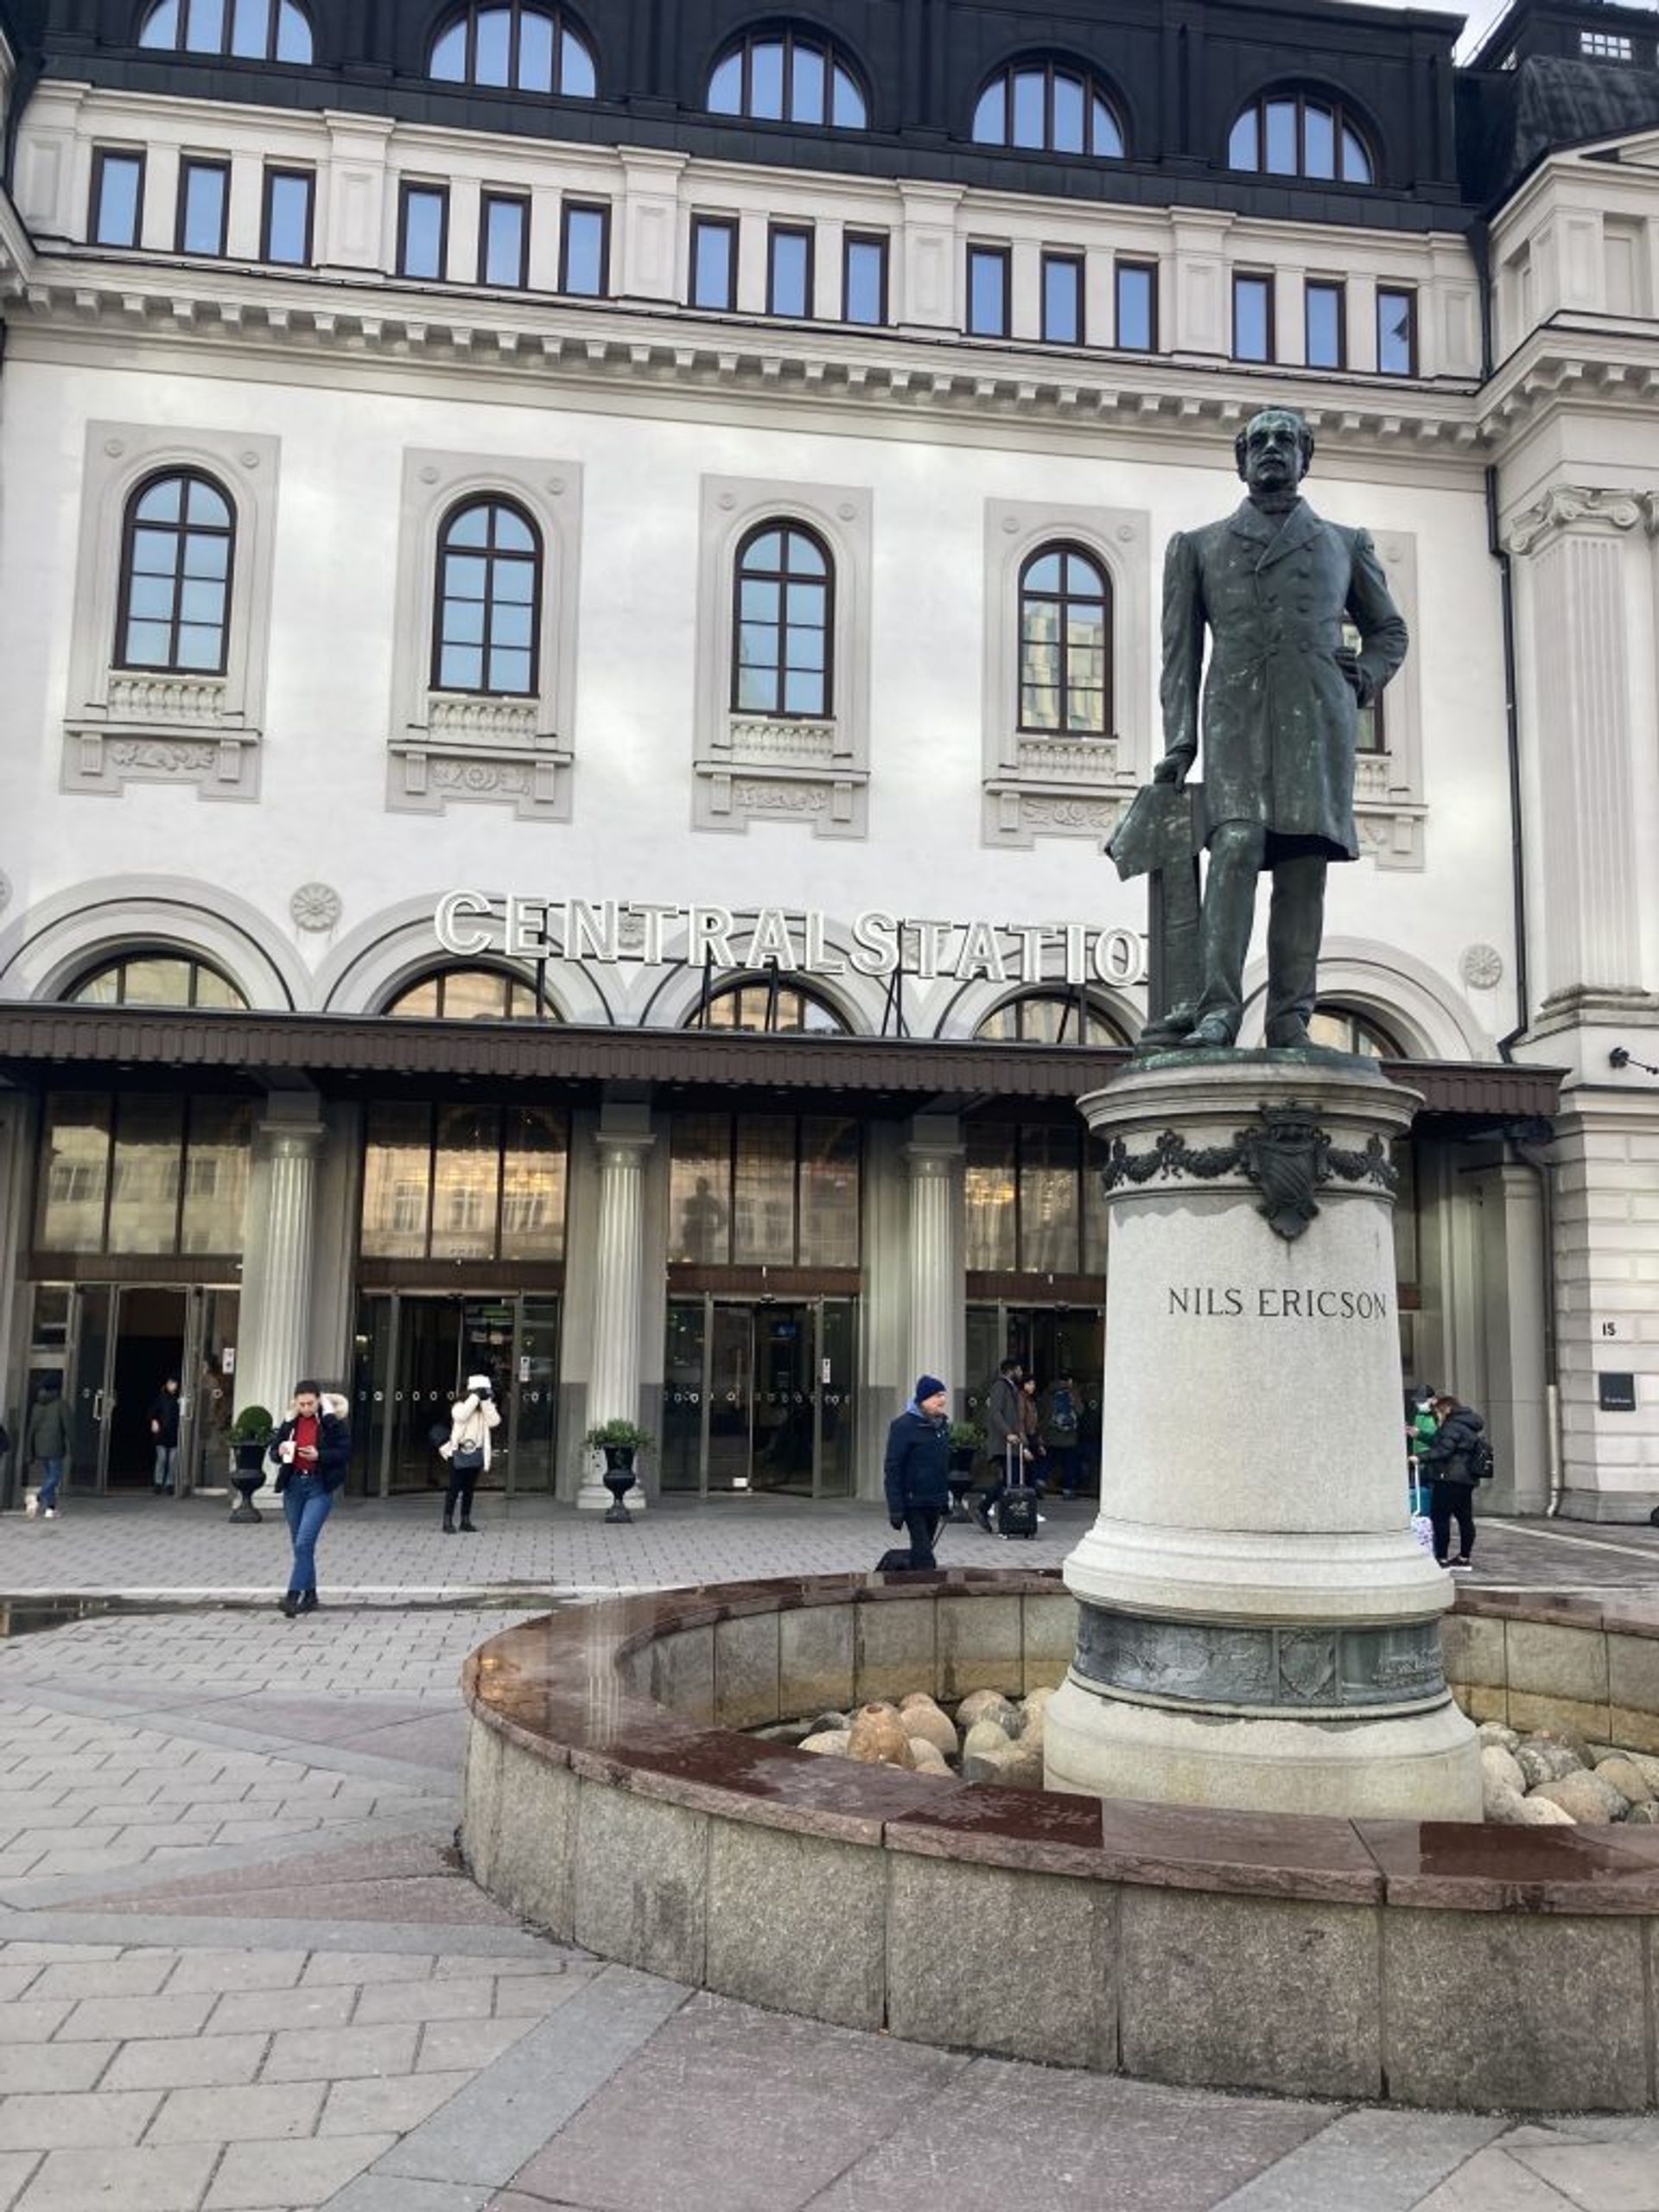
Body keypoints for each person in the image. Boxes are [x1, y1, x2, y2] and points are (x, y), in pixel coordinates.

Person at [1153, 406, 1409, 1048]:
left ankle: (1290, 1019)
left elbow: (1389, 630)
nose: (1271, 449)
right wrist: (1179, 742)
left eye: (1285, 440)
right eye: (1259, 441)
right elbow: (1180, 654)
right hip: (1235, 716)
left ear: (1304, 458)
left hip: (1314, 722)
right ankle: (1218, 1009)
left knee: (1302, 866)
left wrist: (1364, 677)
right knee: (1235, 846)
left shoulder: (1345, 543)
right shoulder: (1200, 544)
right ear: (1241, 460)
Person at [270, 1381, 350, 1618]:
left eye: (310, 1403)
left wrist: (319, 1455)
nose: (305, 1408)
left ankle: (293, 1596)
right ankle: (311, 1595)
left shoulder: (332, 1423)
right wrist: (281, 1451)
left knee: (304, 1543)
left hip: (318, 1487)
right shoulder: (290, 1422)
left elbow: (345, 1453)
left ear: (319, 1401)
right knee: (301, 1547)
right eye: (301, 1403)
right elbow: (273, 1451)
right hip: (293, 1486)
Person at [882, 1376, 952, 1570]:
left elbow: (942, 1466)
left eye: (943, 1395)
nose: (943, 1400)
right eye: (938, 1396)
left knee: (921, 1552)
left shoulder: (943, 1426)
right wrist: (895, 1507)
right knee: (925, 1559)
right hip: (913, 1503)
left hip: (935, 1501)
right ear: (923, 1399)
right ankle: (926, 1593)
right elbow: (893, 1468)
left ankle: (903, 1584)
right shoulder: (903, 1426)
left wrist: (945, 1500)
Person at [1421, 1393, 1484, 1573]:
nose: (1437, 1416)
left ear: (1447, 1409)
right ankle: (1464, 1558)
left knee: (1441, 1518)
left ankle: (1441, 1558)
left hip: (1447, 1478)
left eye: (1438, 1412)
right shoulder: (1469, 1425)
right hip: (1466, 1480)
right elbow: (1450, 1445)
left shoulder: (1451, 1426)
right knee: (1465, 1519)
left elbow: (1443, 1450)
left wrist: (1419, 1457)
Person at [440, 1374, 500, 1533]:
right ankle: (447, 1521)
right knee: (454, 1487)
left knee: (469, 1488)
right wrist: (475, 1398)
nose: (484, 1393)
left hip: (477, 1452)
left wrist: (486, 1401)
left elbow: (495, 1422)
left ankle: (465, 1520)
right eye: (482, 1390)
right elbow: (460, 1416)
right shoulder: (460, 1405)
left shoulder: (484, 1409)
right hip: (459, 1452)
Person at [976, 1357, 1027, 1534]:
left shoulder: (1011, 1388)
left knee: (1008, 1481)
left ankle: (1000, 1514)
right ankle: (984, 1508)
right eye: (1019, 1370)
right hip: (1002, 1443)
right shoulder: (1000, 1386)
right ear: (1011, 1370)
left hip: (1011, 1443)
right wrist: (1008, 1433)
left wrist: (1021, 1441)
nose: (1021, 1373)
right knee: (1007, 1481)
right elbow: (995, 1413)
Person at [25, 1376, 70, 1519]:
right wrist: (74, 1446)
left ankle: (51, 1509)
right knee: (55, 1478)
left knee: (49, 1476)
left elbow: (31, 1429)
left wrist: (29, 1449)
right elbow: (69, 1427)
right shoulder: (61, 1405)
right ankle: (37, 1497)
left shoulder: (37, 1406)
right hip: (55, 1446)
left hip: (40, 1447)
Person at [1041, 1371, 1084, 1500]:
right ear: (1069, 1381)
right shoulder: (1072, 1392)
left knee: (1048, 1462)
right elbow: (1080, 1411)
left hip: (1052, 1434)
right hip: (1069, 1437)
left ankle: (1039, 1483)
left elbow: (1043, 1413)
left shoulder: (1047, 1393)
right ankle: (1068, 1491)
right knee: (1069, 1464)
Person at [147, 1376, 181, 1495]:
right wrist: (154, 1421)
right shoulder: (161, 1398)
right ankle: (158, 1483)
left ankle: (170, 1484)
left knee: (172, 1461)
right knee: (161, 1459)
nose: (172, 1385)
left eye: (174, 1383)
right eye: (170, 1383)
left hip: (175, 1434)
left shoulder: (179, 1399)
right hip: (161, 1434)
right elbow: (151, 1412)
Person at [1019, 1376, 1048, 1495]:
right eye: (1030, 1384)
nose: (1033, 1387)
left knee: (1034, 1465)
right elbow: (1020, 1422)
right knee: (1028, 1468)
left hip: (1032, 1436)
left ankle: (1033, 1489)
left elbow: (1035, 1424)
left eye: (1034, 1384)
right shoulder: (1021, 1399)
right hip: (1025, 1436)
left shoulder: (1031, 1400)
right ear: (1024, 1385)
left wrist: (1039, 1443)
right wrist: (1024, 1446)